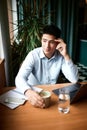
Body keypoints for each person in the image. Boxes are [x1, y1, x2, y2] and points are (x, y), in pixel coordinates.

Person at [15, 24, 79, 108]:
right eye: (44, 41)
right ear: (41, 40)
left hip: (51, 94)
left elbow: (74, 79)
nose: (47, 46)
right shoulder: (33, 55)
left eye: (51, 42)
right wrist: (28, 92)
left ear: (57, 43)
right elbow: (19, 78)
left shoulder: (61, 56)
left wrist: (66, 55)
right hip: (33, 94)